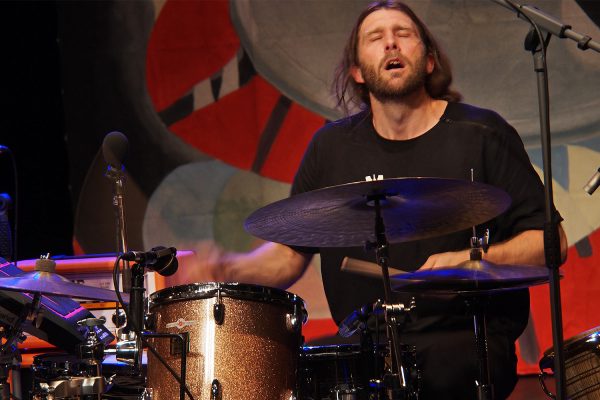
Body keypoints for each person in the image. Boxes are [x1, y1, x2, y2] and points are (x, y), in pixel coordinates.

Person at [212, 1, 568, 399]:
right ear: (357, 71)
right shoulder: (331, 147)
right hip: (365, 352)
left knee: (449, 366)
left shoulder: (482, 134)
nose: (391, 45)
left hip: (464, 344)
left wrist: (474, 262)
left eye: (404, 34)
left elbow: (550, 242)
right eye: (375, 38)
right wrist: (227, 267)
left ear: (429, 60)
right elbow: (289, 256)